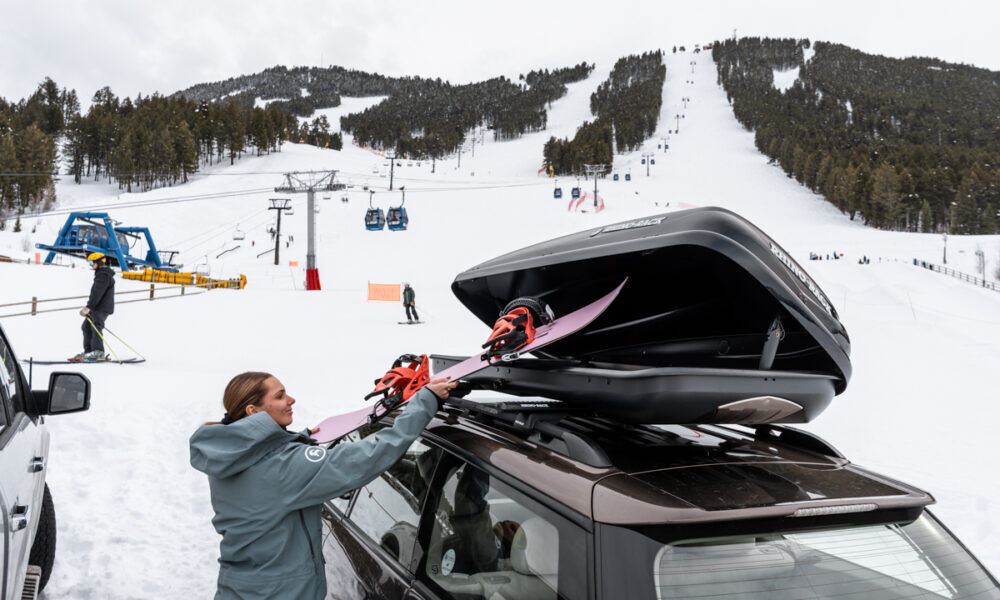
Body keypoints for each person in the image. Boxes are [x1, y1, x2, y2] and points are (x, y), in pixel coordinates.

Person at [190, 371, 456, 600]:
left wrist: (294, 442)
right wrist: (426, 402)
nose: (291, 400)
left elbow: (269, 473)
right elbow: (372, 455)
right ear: (253, 411)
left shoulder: (230, 455)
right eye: (280, 396)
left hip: (238, 587)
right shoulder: (285, 467)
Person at [74, 251, 115, 361]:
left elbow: (97, 294)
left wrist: (88, 307)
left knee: (95, 327)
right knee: (86, 326)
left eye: (92, 262)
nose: (90, 265)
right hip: (97, 307)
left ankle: (98, 352)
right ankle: (89, 352)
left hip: (101, 308)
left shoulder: (103, 276)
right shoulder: (101, 274)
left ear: (99, 262)